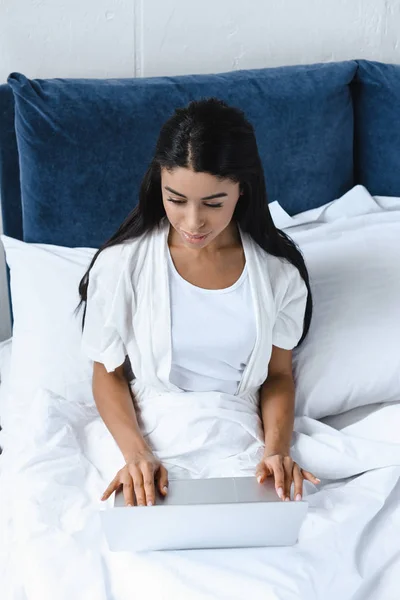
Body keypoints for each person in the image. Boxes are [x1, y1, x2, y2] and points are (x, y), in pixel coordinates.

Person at [78, 98, 319, 508]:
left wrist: (276, 450)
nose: (193, 223)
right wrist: (136, 454)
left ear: (242, 188)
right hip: (145, 437)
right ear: (159, 184)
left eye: (212, 203)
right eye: (176, 200)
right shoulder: (121, 266)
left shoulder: (279, 276)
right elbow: (108, 373)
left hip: (240, 435)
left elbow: (278, 376)